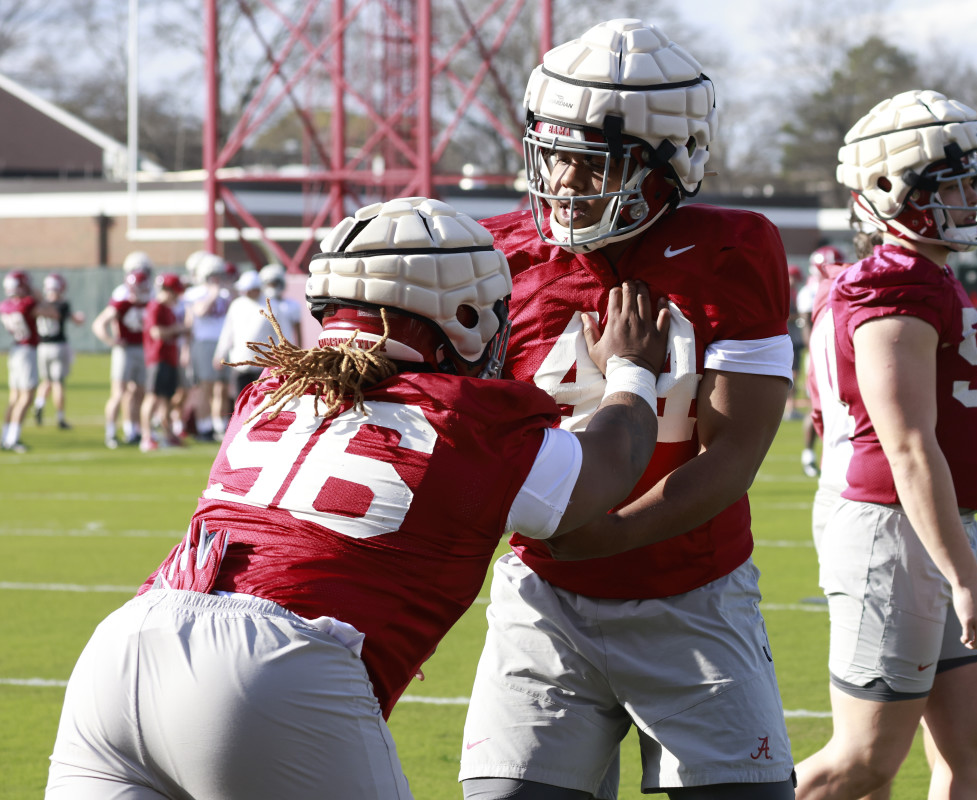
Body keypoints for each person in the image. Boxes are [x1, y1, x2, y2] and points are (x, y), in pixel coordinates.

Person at [46, 196, 669, 800]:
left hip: (124, 649)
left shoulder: (268, 391)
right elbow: (610, 465)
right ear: (464, 315)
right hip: (277, 668)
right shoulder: (467, 419)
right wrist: (631, 370)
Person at [461, 19, 796, 800]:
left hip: (694, 594)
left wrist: (604, 535)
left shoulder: (734, 252)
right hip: (542, 599)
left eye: (590, 162)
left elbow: (732, 456)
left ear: (669, 165)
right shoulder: (496, 256)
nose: (565, 184)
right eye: (554, 156)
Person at [793, 89, 977, 800]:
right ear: (891, 190)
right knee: (863, 762)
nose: (973, 200)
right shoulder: (894, 288)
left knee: (973, 749)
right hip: (893, 527)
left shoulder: (924, 276)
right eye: (954, 185)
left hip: (938, 522)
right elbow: (908, 446)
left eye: (975, 183)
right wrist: (965, 577)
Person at [92, 266, 153, 449]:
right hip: (125, 351)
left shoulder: (150, 303)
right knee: (118, 393)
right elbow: (99, 324)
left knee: (140, 392)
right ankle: (110, 432)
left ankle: (133, 430)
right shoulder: (122, 303)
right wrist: (112, 341)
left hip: (143, 349)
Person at [798, 245, 845, 478]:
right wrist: (816, 351)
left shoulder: (839, 284)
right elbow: (807, 326)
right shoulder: (810, 291)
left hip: (839, 351)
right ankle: (809, 453)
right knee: (817, 406)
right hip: (820, 354)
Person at [181, 252, 235, 441]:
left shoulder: (227, 292)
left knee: (223, 387)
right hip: (204, 342)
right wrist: (213, 293)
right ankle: (204, 427)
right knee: (205, 386)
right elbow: (200, 312)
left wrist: (227, 291)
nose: (217, 278)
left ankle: (220, 425)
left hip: (224, 343)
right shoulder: (194, 293)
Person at [2, 270, 54, 453]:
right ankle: (12, 438)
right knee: (26, 396)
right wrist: (39, 296)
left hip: (15, 350)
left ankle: (5, 436)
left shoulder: (5, 305)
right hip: (26, 350)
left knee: (15, 397)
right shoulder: (28, 303)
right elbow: (52, 313)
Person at [139, 273, 190, 452]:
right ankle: (146, 437)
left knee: (166, 400)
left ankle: (167, 435)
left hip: (169, 357)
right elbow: (156, 332)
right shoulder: (156, 307)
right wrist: (178, 329)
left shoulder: (168, 309)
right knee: (153, 397)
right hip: (157, 357)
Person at [33, 273, 87, 430]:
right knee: (58, 384)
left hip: (42, 347)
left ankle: (39, 404)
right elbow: (74, 320)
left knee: (46, 381)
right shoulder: (62, 305)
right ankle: (60, 418)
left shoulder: (39, 305)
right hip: (58, 346)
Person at [216, 269, 274, 401]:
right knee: (240, 400)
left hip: (264, 366)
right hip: (240, 363)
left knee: (262, 400)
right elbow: (228, 332)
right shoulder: (236, 305)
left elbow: (281, 335)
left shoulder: (270, 305)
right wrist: (220, 354)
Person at [784, 263, 808, 422]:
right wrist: (800, 316)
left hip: (795, 339)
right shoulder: (786, 293)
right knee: (790, 375)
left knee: (795, 374)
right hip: (789, 338)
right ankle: (789, 409)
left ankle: (791, 408)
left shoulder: (794, 293)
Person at [259, 262, 303, 344]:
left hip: (286, 350)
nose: (272, 287)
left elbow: (298, 331)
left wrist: (299, 351)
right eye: (269, 284)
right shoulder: (259, 306)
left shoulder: (292, 305)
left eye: (274, 284)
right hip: (265, 351)